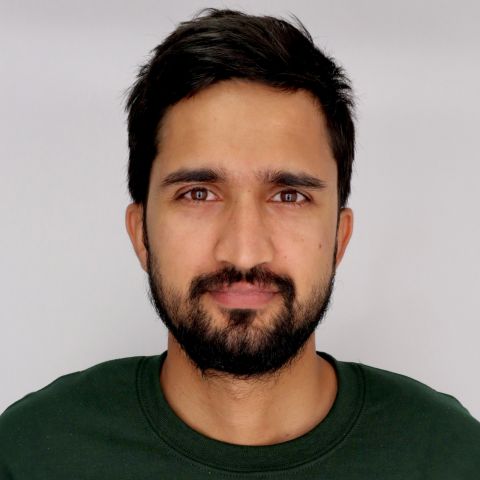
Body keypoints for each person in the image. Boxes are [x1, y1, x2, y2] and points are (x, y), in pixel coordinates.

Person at [1, 8, 479, 479]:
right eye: (198, 194)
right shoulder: (27, 455)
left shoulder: (453, 457)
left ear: (339, 236)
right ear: (140, 233)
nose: (244, 252)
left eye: (289, 196)